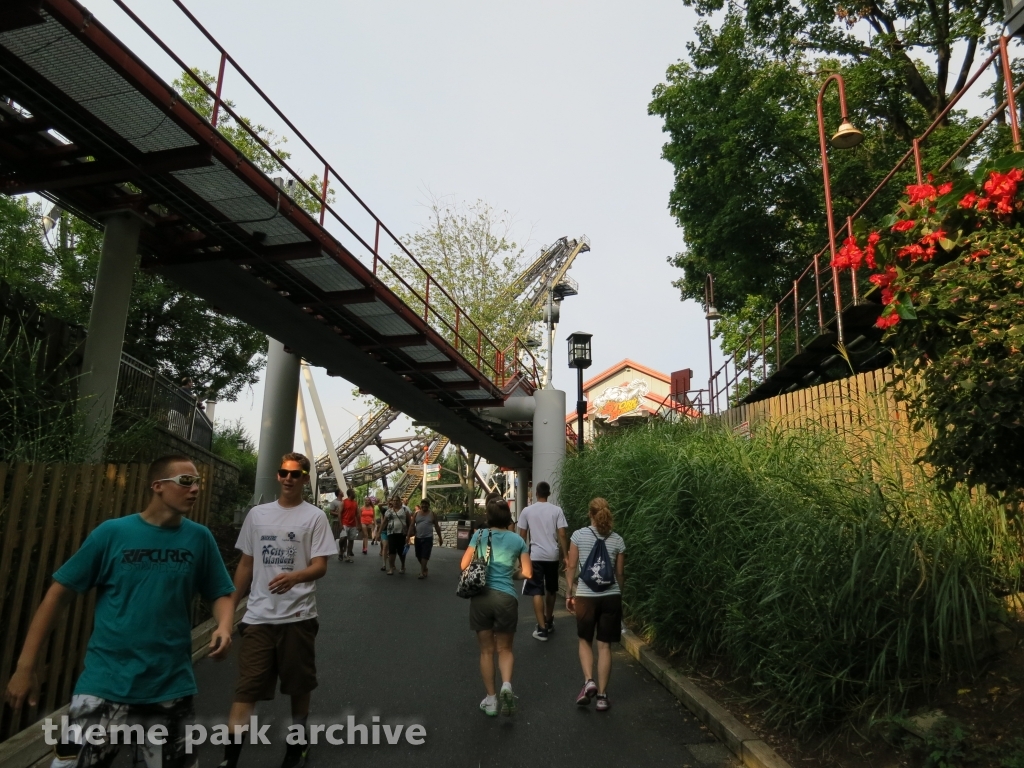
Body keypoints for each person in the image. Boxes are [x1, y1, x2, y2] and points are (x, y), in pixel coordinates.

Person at [4, 455, 235, 768]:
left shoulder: (199, 538)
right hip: (103, 686)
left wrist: (223, 624)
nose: (195, 489)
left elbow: (220, 591)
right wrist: (25, 665)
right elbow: (58, 596)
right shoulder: (111, 534)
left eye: (197, 482)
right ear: (158, 486)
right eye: (186, 481)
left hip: (168, 687)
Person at [219, 453, 337, 768]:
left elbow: (320, 566)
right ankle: (229, 760)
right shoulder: (257, 515)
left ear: (304, 479)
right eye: (283, 473)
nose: (288, 479)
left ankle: (296, 745)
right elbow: (246, 563)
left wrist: (296, 576)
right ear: (277, 475)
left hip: (298, 617)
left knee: (299, 686)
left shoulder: (314, 517)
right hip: (258, 618)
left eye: (295, 474)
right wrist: (231, 607)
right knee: (246, 689)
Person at [460, 498, 532, 717]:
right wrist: (511, 573)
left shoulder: (479, 535)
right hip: (506, 599)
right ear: (507, 517)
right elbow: (528, 573)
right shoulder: (518, 541)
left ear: (488, 517)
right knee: (505, 649)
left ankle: (491, 700)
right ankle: (507, 685)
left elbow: (463, 565)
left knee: (486, 651)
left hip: (481, 598)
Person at [565, 498, 626, 712]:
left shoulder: (578, 536)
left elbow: (572, 566)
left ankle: (589, 680)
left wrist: (569, 592)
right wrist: (619, 594)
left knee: (584, 640)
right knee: (605, 646)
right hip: (611, 596)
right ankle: (602, 696)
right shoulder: (617, 539)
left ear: (589, 513)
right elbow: (619, 573)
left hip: (585, 595)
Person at [516, 481, 568, 641]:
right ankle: (549, 619)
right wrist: (565, 555)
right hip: (552, 555)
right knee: (552, 589)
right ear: (549, 493)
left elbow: (522, 536)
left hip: (536, 556)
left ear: (536, 493)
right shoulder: (556, 510)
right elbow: (562, 534)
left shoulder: (527, 511)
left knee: (536, 590)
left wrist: (519, 557)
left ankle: (542, 628)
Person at [412, 498, 444, 579]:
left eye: (426, 504)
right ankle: (425, 568)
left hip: (428, 538)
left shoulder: (432, 514)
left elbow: (436, 526)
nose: (424, 505)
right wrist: (408, 536)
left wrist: (440, 537)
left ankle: (422, 572)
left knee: (425, 555)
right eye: (423, 504)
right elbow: (411, 526)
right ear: (421, 505)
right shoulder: (416, 514)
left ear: (429, 505)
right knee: (418, 555)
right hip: (418, 537)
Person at [382, 498, 411, 575]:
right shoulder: (389, 511)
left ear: (400, 502)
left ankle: (402, 566)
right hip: (391, 532)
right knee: (391, 550)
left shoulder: (404, 510)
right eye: (394, 501)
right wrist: (379, 532)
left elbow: (409, 522)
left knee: (401, 551)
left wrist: (409, 534)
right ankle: (391, 568)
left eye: (397, 501)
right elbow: (384, 522)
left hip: (401, 533)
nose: (395, 502)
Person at [340, 488, 359, 563]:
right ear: (350, 494)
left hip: (353, 524)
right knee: (342, 538)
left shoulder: (355, 503)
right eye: (354, 492)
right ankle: (341, 551)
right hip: (345, 523)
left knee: (351, 540)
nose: (355, 494)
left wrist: (359, 524)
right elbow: (339, 513)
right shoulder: (344, 502)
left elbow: (357, 514)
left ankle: (348, 556)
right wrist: (340, 524)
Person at [327, 491, 342, 560]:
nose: (343, 492)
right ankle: (330, 550)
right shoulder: (334, 502)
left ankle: (342, 551)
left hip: (343, 521)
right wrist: (339, 514)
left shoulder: (344, 502)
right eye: (341, 491)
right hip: (336, 521)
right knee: (334, 537)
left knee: (343, 537)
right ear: (339, 493)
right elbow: (331, 512)